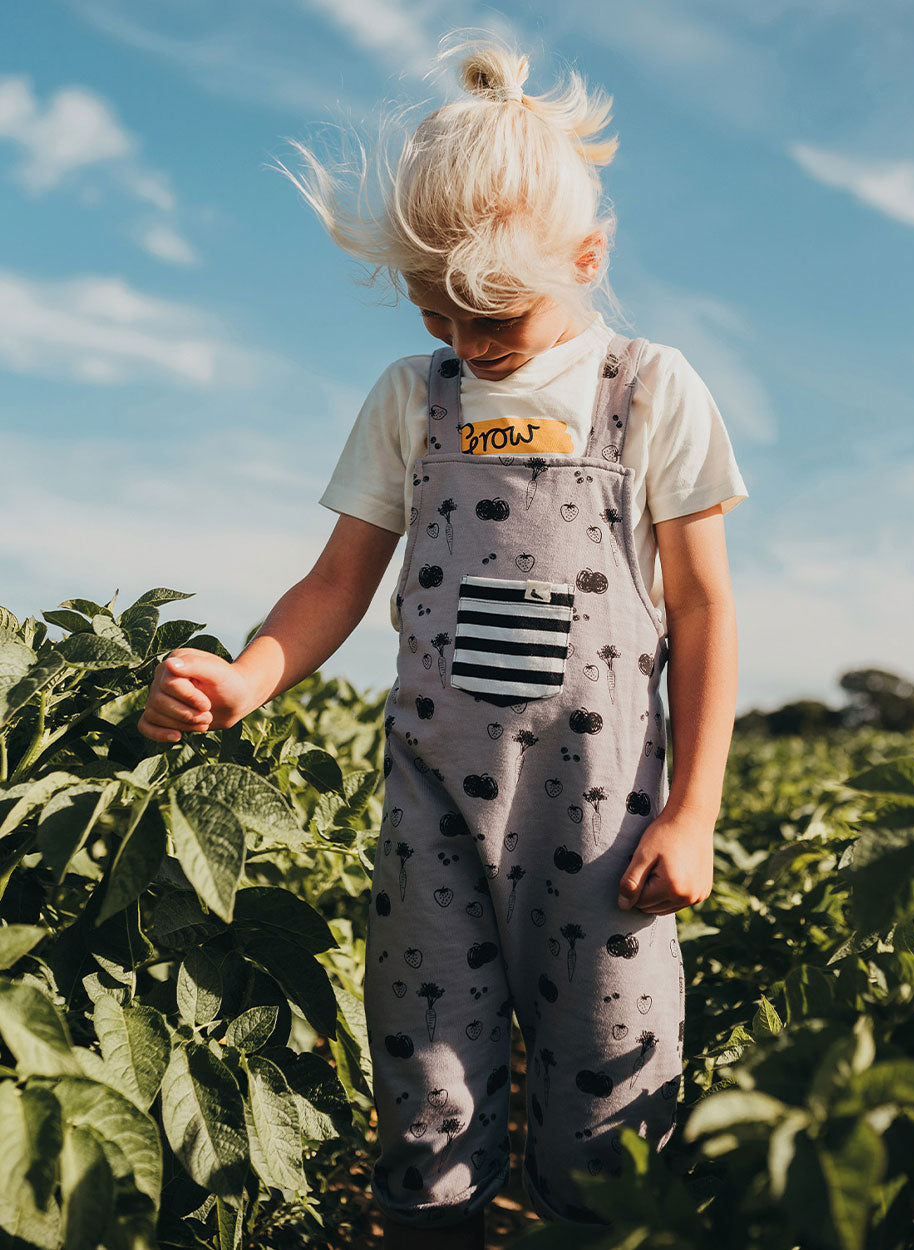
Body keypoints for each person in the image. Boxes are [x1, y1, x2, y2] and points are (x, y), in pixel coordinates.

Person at [138, 31, 748, 1249]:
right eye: (437, 311)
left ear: (587, 257)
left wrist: (695, 810)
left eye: (496, 317)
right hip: (431, 811)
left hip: (603, 820)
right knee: (427, 1078)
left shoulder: (648, 388)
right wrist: (247, 674)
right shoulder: (412, 400)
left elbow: (700, 608)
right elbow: (334, 580)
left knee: (611, 1090)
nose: (467, 341)